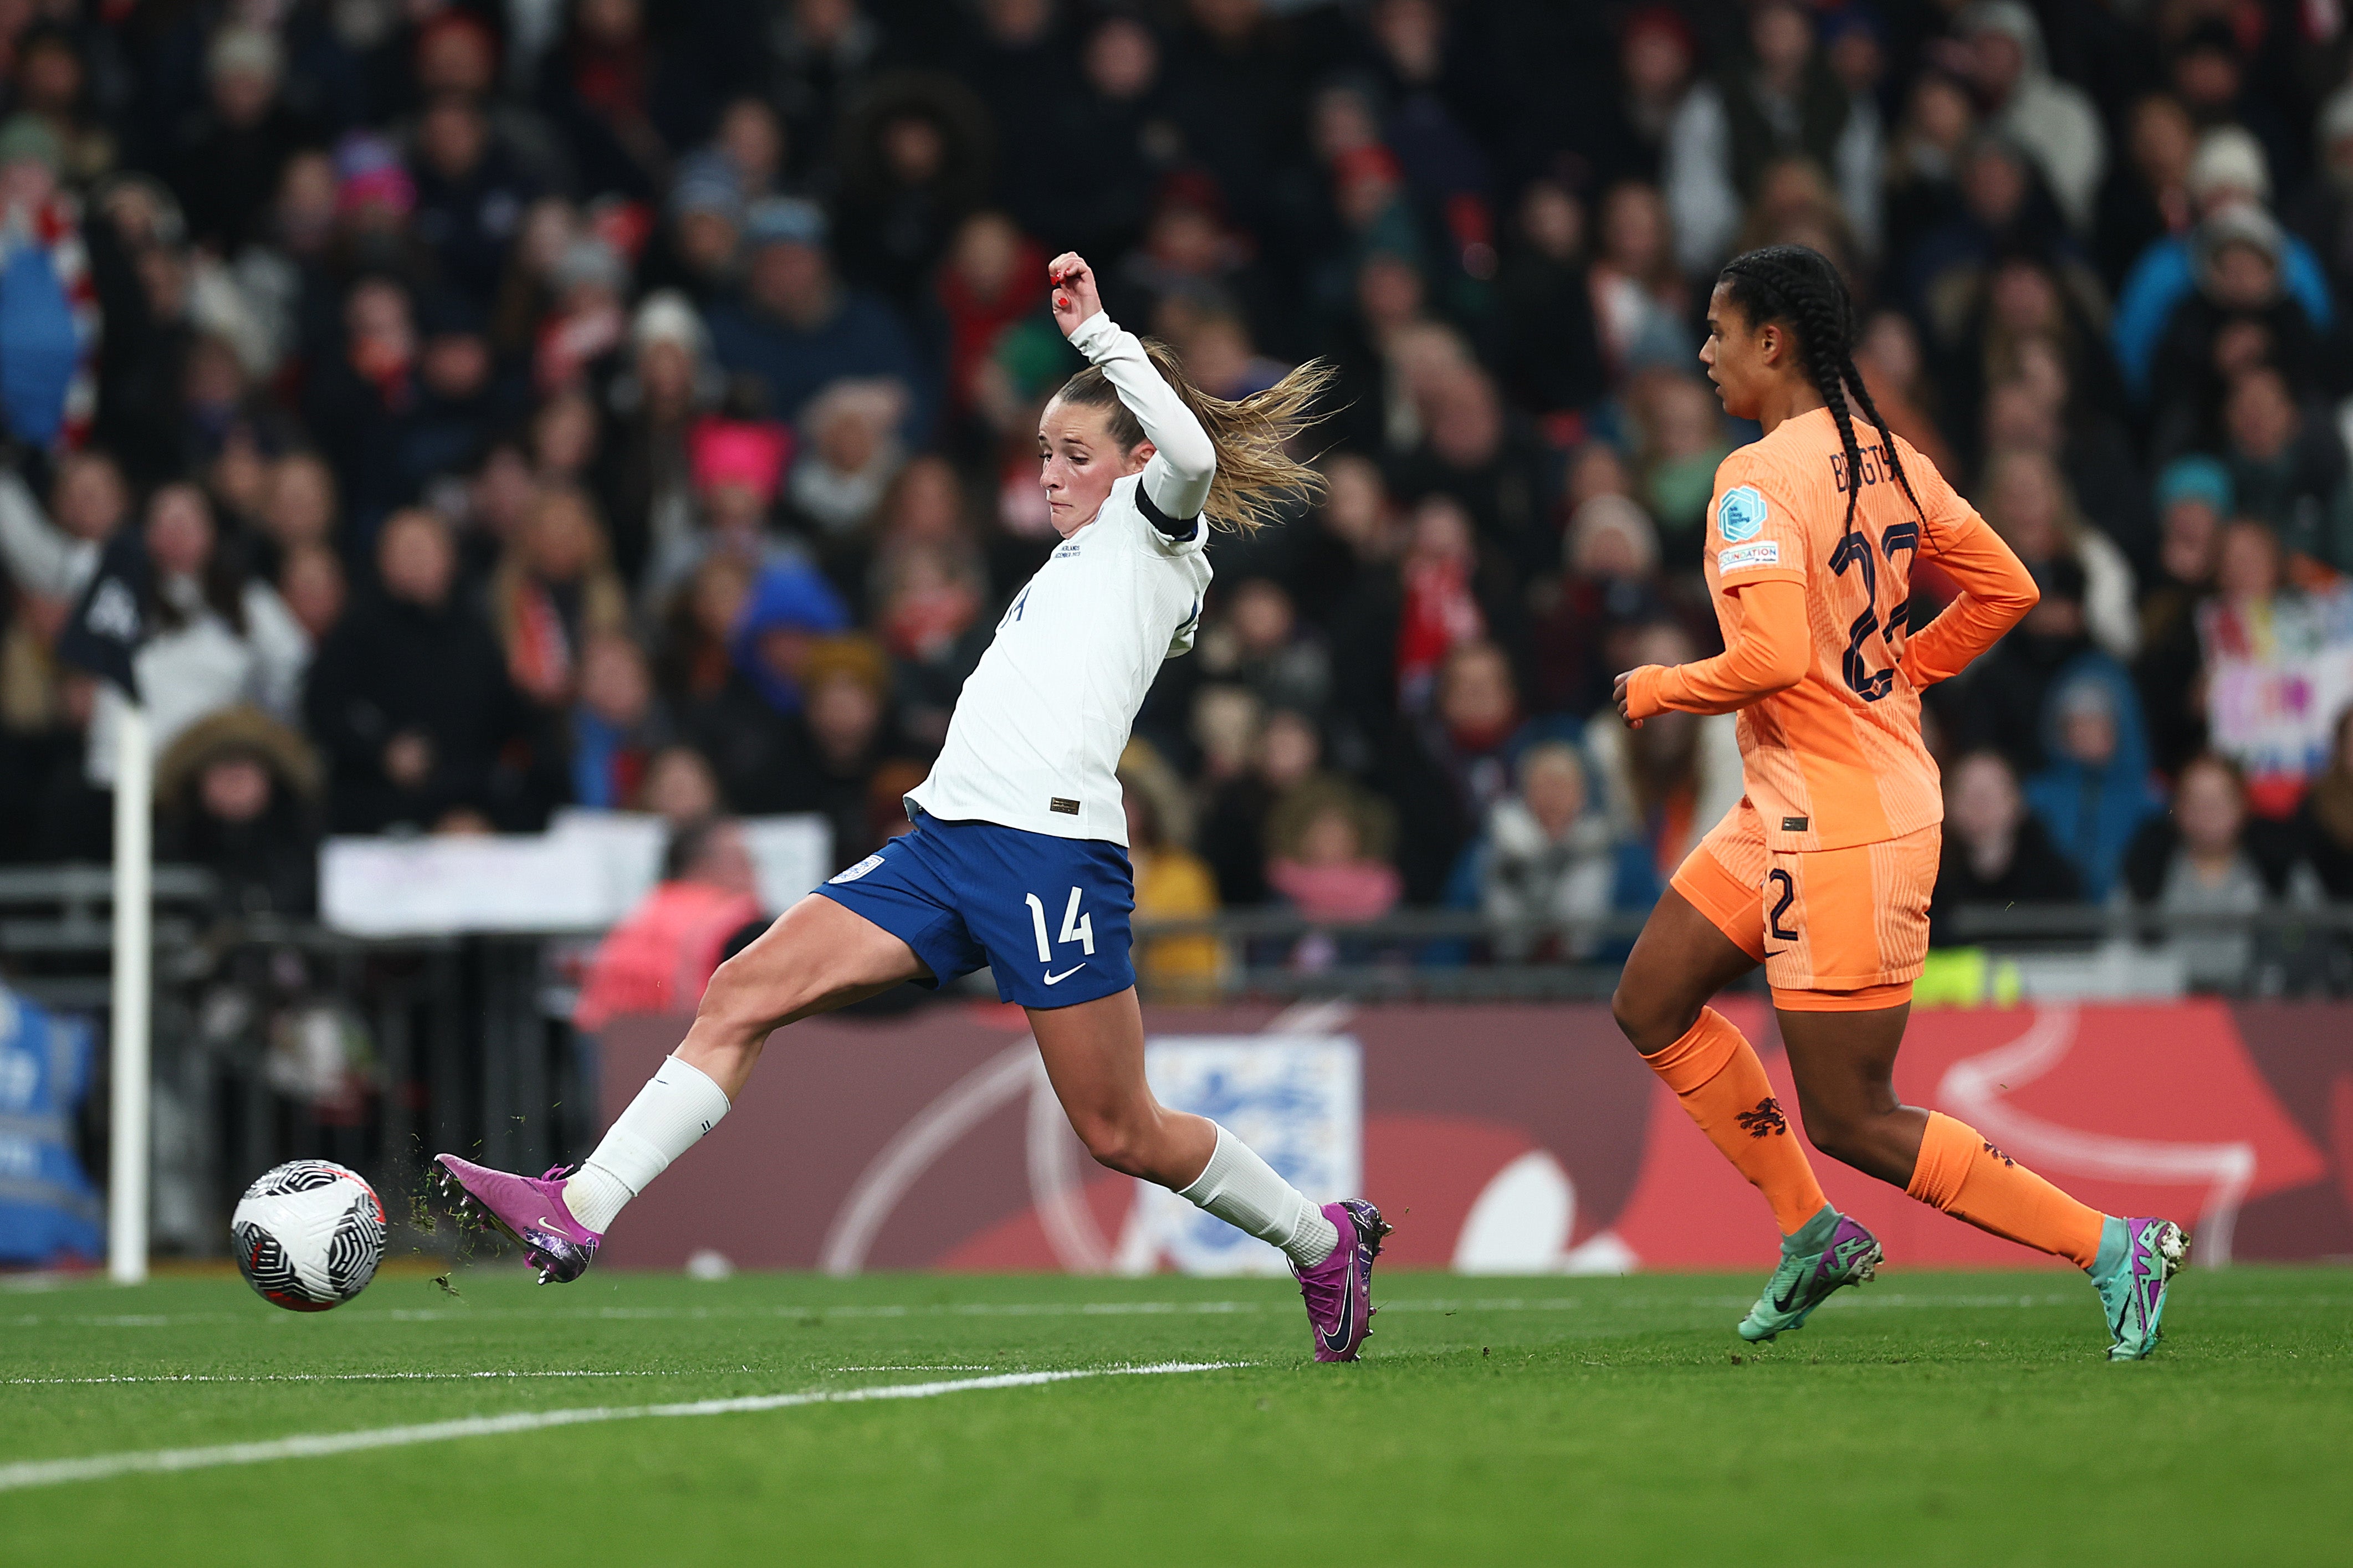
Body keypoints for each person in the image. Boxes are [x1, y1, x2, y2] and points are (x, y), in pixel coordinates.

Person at [435, 253, 1393, 1361]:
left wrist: (1101, 340)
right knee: (742, 987)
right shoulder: (1084, 559)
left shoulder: (1157, 535)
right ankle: (581, 1204)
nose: (1048, 474)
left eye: (1073, 453)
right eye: (1040, 452)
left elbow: (1186, 451)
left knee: (1118, 1128)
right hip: (942, 845)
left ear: (1132, 457)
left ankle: (1318, 1235)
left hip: (1047, 857)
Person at [1608, 244, 2186, 1361]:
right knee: (1650, 1000)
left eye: (1719, 332)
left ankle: (2114, 1246)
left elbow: (1770, 654)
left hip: (1847, 826)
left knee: (1852, 1114)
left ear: (1770, 340)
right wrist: (1906, 669)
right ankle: (1806, 1228)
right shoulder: (1886, 456)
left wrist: (1662, 686)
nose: (1704, 352)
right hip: (1788, 797)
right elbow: (2007, 584)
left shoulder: (1754, 478)